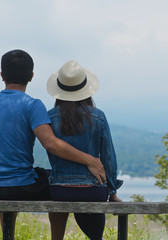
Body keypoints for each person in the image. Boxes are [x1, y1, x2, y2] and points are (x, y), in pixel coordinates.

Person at [0, 50, 106, 239]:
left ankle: (8, 235)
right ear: (31, 76)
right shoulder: (32, 105)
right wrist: (89, 159)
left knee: (20, 184)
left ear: (2, 75)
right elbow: (50, 143)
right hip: (21, 187)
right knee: (56, 180)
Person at [46, 60, 123, 240]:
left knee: (75, 195)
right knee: (92, 195)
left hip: (59, 190)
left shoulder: (49, 117)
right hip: (93, 189)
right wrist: (112, 191)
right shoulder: (98, 117)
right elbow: (108, 158)